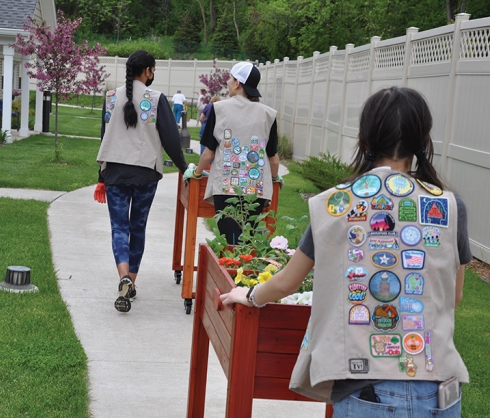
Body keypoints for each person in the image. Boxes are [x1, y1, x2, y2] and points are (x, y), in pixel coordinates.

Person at [220, 86, 471, 416]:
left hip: (365, 391)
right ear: (422, 143)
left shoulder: (334, 205)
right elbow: (454, 296)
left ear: (364, 140)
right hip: (439, 390)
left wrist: (250, 294)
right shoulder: (450, 206)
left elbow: (287, 282)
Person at [94, 50, 188, 313]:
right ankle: (131, 283)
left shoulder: (111, 98)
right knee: (138, 227)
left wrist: (100, 178)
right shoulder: (156, 99)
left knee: (119, 229)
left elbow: (105, 137)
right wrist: (184, 167)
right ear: (147, 71)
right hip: (146, 173)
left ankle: (123, 277)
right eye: (153, 70)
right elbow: (171, 138)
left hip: (115, 173)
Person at [183, 61, 282, 245]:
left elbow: (208, 154)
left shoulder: (219, 109)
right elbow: (273, 159)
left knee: (231, 242)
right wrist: (274, 179)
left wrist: (196, 173)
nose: (227, 81)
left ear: (238, 83)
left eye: (230, 78)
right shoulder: (268, 114)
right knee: (247, 241)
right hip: (256, 190)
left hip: (226, 186)